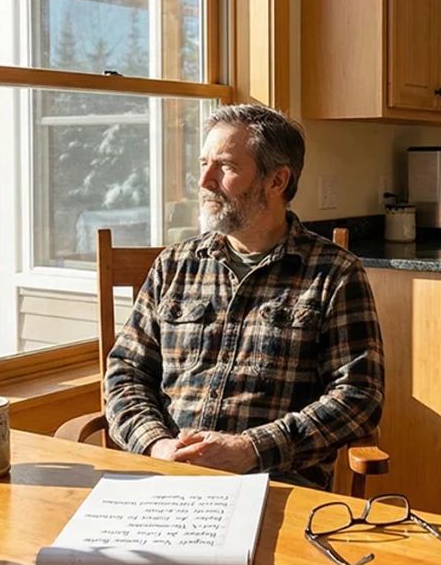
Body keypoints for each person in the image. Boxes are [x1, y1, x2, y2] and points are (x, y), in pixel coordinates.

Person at [103, 104, 384, 490]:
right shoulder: (174, 265)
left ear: (277, 181)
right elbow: (126, 372)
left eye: (226, 167)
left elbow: (358, 396)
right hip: (164, 479)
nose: (204, 181)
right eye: (203, 163)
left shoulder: (334, 273)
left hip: (274, 484)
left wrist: (252, 448)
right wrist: (156, 443)